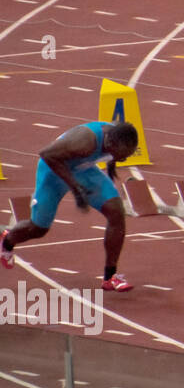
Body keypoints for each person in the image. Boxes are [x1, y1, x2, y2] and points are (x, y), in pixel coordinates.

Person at [0, 121, 139, 292]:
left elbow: (111, 154)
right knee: (38, 229)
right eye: (122, 155)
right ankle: (8, 239)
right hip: (53, 171)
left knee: (116, 212)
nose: (124, 159)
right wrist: (75, 188)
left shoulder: (116, 135)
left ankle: (110, 277)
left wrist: (112, 165)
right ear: (111, 143)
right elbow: (46, 154)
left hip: (83, 169)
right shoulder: (85, 141)